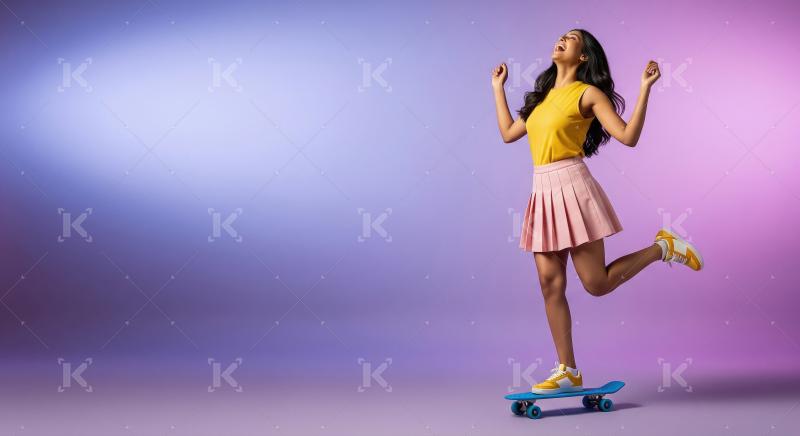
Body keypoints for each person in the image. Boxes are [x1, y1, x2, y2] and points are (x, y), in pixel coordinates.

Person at [490, 29, 704, 394]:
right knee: (549, 283)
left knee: (596, 284)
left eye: (570, 38)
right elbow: (510, 133)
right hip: (542, 191)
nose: (560, 40)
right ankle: (568, 370)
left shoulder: (588, 94)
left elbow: (627, 136)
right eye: (559, 36)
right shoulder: (543, 99)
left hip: (572, 187)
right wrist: (498, 89)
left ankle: (663, 247)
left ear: (584, 56)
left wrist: (644, 89)